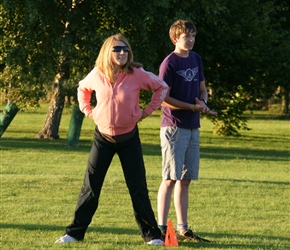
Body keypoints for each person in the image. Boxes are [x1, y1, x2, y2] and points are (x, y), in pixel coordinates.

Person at [55, 33, 168, 246]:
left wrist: (145, 112)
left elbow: (161, 87)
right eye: (117, 49)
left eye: (125, 49)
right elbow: (82, 88)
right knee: (91, 186)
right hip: (103, 138)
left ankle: (152, 235)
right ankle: (74, 233)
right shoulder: (97, 73)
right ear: (108, 51)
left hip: (129, 137)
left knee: (138, 188)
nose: (122, 53)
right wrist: (89, 112)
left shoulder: (137, 73)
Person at [157, 20, 217, 242]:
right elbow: (163, 98)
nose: (190, 40)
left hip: (193, 126)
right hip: (174, 127)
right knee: (170, 178)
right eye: (186, 36)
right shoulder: (169, 63)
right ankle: (161, 229)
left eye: (193, 35)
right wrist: (190, 106)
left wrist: (202, 103)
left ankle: (183, 229)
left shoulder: (196, 58)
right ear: (175, 39)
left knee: (186, 179)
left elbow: (202, 89)